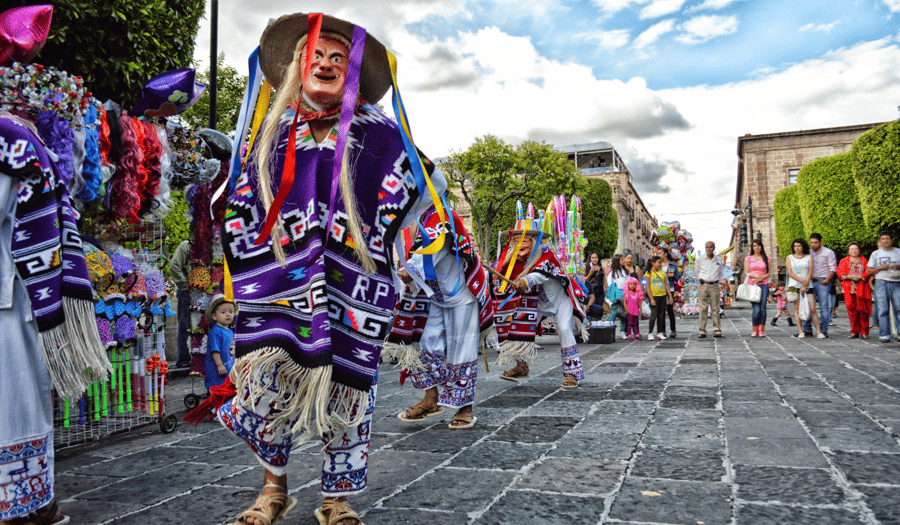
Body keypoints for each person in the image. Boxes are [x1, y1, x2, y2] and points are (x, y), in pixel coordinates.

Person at [183, 13, 447, 525]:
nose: (325, 64)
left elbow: (417, 192)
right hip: (279, 290)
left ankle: (337, 498)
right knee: (267, 387)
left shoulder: (381, 134)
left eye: (336, 59)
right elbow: (241, 204)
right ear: (297, 69)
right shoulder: (272, 134)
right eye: (315, 57)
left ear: (350, 74)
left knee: (349, 393)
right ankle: (272, 490)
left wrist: (374, 229)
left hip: (353, 288)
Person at [0, 6, 111, 523]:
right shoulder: (22, 138)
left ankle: (23, 502)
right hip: (14, 294)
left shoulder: (14, 140)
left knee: (14, 397)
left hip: (9, 294)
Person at [390, 205, 492, 429]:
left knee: (461, 348)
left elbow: (422, 260)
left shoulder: (441, 218)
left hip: (461, 296)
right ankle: (430, 399)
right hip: (436, 296)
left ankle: (465, 408)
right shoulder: (422, 219)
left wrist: (404, 272)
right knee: (424, 345)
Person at [495, 220, 586, 388]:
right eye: (516, 240)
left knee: (565, 329)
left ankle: (572, 373)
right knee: (517, 327)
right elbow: (498, 274)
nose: (519, 244)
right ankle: (522, 366)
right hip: (535, 303)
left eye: (524, 240)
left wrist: (524, 280)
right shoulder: (513, 260)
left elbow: (540, 273)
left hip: (560, 300)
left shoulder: (546, 255)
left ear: (534, 241)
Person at [786, 238, 823, 339]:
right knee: (797, 309)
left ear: (803, 247)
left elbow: (810, 271)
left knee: (812, 308)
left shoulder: (808, 257)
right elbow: (789, 272)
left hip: (808, 285)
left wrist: (805, 284)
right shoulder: (789, 257)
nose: (797, 248)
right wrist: (802, 281)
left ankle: (819, 332)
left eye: (799, 246)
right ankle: (801, 331)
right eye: (795, 246)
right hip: (794, 285)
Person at [867, 231, 900, 343]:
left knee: (899, 308)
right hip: (881, 283)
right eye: (883, 239)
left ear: (892, 240)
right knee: (882, 310)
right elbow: (869, 271)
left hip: (896, 283)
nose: (885, 240)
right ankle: (885, 334)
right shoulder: (875, 253)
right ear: (880, 241)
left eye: (887, 238)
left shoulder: (898, 252)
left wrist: (898, 266)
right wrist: (880, 268)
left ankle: (899, 333)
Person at [803, 233, 836, 338]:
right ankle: (807, 329)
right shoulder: (808, 252)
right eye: (811, 242)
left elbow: (833, 268)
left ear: (821, 242)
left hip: (823, 281)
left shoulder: (828, 252)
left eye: (815, 242)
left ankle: (823, 330)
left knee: (824, 306)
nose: (813, 245)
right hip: (810, 281)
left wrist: (827, 280)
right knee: (808, 306)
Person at [836, 242, 871, 339]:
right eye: (851, 249)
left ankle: (864, 331)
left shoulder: (864, 260)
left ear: (859, 250)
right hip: (849, 288)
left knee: (863, 310)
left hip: (862, 287)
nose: (854, 251)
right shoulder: (844, 260)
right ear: (848, 251)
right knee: (851, 310)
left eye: (855, 249)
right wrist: (851, 276)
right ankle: (854, 331)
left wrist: (859, 277)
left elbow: (868, 272)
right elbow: (840, 273)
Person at [204, 294, 235, 391]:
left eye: (231, 312)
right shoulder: (215, 332)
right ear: (214, 316)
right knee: (217, 394)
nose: (228, 314)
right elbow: (215, 350)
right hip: (217, 374)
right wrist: (219, 365)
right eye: (223, 312)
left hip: (228, 371)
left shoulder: (230, 331)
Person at [169, 238, 192, 368]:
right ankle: (184, 358)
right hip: (188, 291)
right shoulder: (186, 245)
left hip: (207, 291)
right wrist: (185, 285)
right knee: (185, 324)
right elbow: (174, 266)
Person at [697, 241, 724, 338]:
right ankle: (702, 331)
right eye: (707, 247)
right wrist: (700, 280)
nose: (708, 249)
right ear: (705, 248)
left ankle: (717, 330)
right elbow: (697, 271)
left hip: (714, 285)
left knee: (715, 308)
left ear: (714, 248)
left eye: (710, 247)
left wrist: (715, 280)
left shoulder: (719, 260)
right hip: (703, 285)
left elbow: (720, 272)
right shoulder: (700, 259)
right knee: (703, 308)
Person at [745, 239, 772, 337]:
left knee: (763, 308)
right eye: (754, 246)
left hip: (764, 285)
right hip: (752, 285)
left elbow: (769, 273)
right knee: (756, 309)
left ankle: (761, 329)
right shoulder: (748, 258)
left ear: (762, 246)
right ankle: (754, 329)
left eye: (758, 245)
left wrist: (761, 278)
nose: (757, 248)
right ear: (752, 248)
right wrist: (756, 278)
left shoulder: (766, 258)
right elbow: (746, 272)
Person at [645, 256, 672, 340]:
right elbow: (648, 287)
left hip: (662, 296)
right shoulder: (648, 273)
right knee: (653, 315)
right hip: (654, 296)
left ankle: (659, 332)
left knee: (661, 315)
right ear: (653, 263)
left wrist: (670, 296)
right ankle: (650, 333)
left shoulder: (662, 273)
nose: (660, 264)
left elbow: (666, 285)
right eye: (659, 262)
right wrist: (651, 298)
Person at [658, 247, 680, 338]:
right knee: (661, 311)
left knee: (670, 310)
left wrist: (672, 276)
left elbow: (677, 278)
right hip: (659, 289)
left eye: (660, 253)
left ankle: (673, 330)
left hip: (670, 288)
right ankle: (662, 330)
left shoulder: (673, 265)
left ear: (665, 254)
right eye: (658, 253)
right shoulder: (657, 264)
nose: (658, 255)